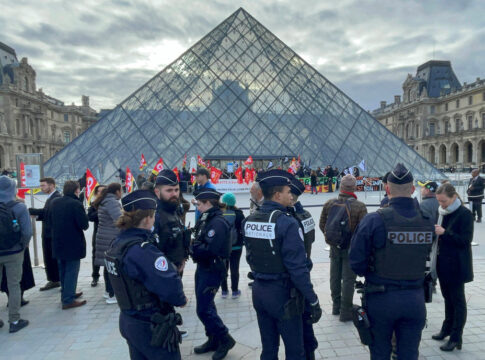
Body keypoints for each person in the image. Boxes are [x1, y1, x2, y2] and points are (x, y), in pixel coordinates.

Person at [349, 163, 434, 359]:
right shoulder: (427, 220)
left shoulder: (374, 220)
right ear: (413, 189)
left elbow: (356, 263)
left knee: (379, 353)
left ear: (387, 189)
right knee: (409, 354)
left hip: (381, 298)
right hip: (415, 298)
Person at [243, 169, 321, 360]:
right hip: (284, 295)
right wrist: (313, 299)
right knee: (296, 351)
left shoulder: (250, 220)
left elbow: (251, 257)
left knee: (269, 349)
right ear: (277, 195)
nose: (290, 195)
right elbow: (298, 268)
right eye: (288, 191)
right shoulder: (287, 223)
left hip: (260, 291)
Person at [105, 190, 187, 360]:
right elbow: (170, 285)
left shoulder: (117, 244)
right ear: (148, 217)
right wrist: (181, 299)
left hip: (129, 318)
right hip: (151, 324)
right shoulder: (142, 250)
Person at [191, 188, 236, 360]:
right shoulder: (208, 218)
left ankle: (225, 338)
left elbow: (210, 249)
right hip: (204, 268)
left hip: (212, 269)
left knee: (203, 310)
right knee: (207, 306)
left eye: (200, 204)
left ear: (208, 203)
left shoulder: (217, 223)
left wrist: (192, 247)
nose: (198, 207)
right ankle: (213, 338)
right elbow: (199, 240)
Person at [432, 183, 474, 351]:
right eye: (439, 201)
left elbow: (465, 241)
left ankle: (456, 337)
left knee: (458, 302)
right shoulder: (441, 213)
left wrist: (445, 233)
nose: (441, 204)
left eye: (444, 201)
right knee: (447, 299)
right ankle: (446, 329)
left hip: (457, 265)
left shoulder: (465, 214)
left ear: (454, 197)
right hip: (443, 264)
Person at [320, 174, 367, 322]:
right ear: (354, 188)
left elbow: (323, 224)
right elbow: (364, 230)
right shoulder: (359, 206)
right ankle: (345, 311)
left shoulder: (329, 203)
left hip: (334, 246)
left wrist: (334, 239)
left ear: (341, 187)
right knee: (348, 279)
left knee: (334, 275)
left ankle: (336, 305)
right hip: (351, 248)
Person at [287, 176, 319, 360]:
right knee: (306, 324)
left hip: (295, 276)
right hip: (305, 269)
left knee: (299, 324)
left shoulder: (290, 218)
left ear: (291, 196)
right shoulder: (306, 215)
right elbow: (312, 240)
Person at [49, 180, 89, 310]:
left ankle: (67, 293)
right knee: (72, 271)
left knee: (63, 270)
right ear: (76, 190)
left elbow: (49, 221)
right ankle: (68, 300)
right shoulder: (76, 204)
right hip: (72, 243)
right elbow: (84, 225)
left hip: (58, 242)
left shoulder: (55, 202)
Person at [0, 175, 31, 332]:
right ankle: (14, 320)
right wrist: (22, 246)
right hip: (14, 251)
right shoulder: (19, 207)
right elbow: (27, 232)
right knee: (14, 286)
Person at [153, 170, 191, 275]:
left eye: (176, 190)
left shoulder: (174, 209)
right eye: (169, 190)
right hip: (162, 273)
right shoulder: (154, 216)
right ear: (157, 192)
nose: (174, 194)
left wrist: (183, 258)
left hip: (176, 270)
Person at [29, 177, 61, 291]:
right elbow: (46, 213)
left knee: (51, 258)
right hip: (48, 233)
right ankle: (53, 279)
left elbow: (48, 213)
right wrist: (37, 215)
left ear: (51, 185)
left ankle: (55, 280)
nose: (41, 188)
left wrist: (32, 211)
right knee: (48, 257)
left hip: (51, 233)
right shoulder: (51, 197)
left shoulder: (56, 197)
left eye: (43, 185)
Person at [93, 183, 122, 304]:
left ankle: (107, 291)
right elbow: (120, 219)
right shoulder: (112, 202)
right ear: (117, 191)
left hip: (104, 236)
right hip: (110, 238)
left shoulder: (104, 200)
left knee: (107, 266)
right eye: (121, 190)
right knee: (112, 267)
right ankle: (112, 294)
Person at [220, 192, 245, 299]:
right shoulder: (239, 214)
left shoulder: (220, 213)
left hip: (223, 247)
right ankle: (235, 291)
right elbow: (243, 230)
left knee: (223, 268)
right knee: (235, 268)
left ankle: (224, 291)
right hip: (237, 246)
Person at [87, 184, 106, 287]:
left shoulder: (112, 203)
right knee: (95, 255)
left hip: (109, 233)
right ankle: (95, 276)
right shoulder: (94, 204)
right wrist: (100, 211)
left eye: (104, 191)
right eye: (99, 191)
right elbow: (90, 217)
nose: (101, 193)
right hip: (98, 232)